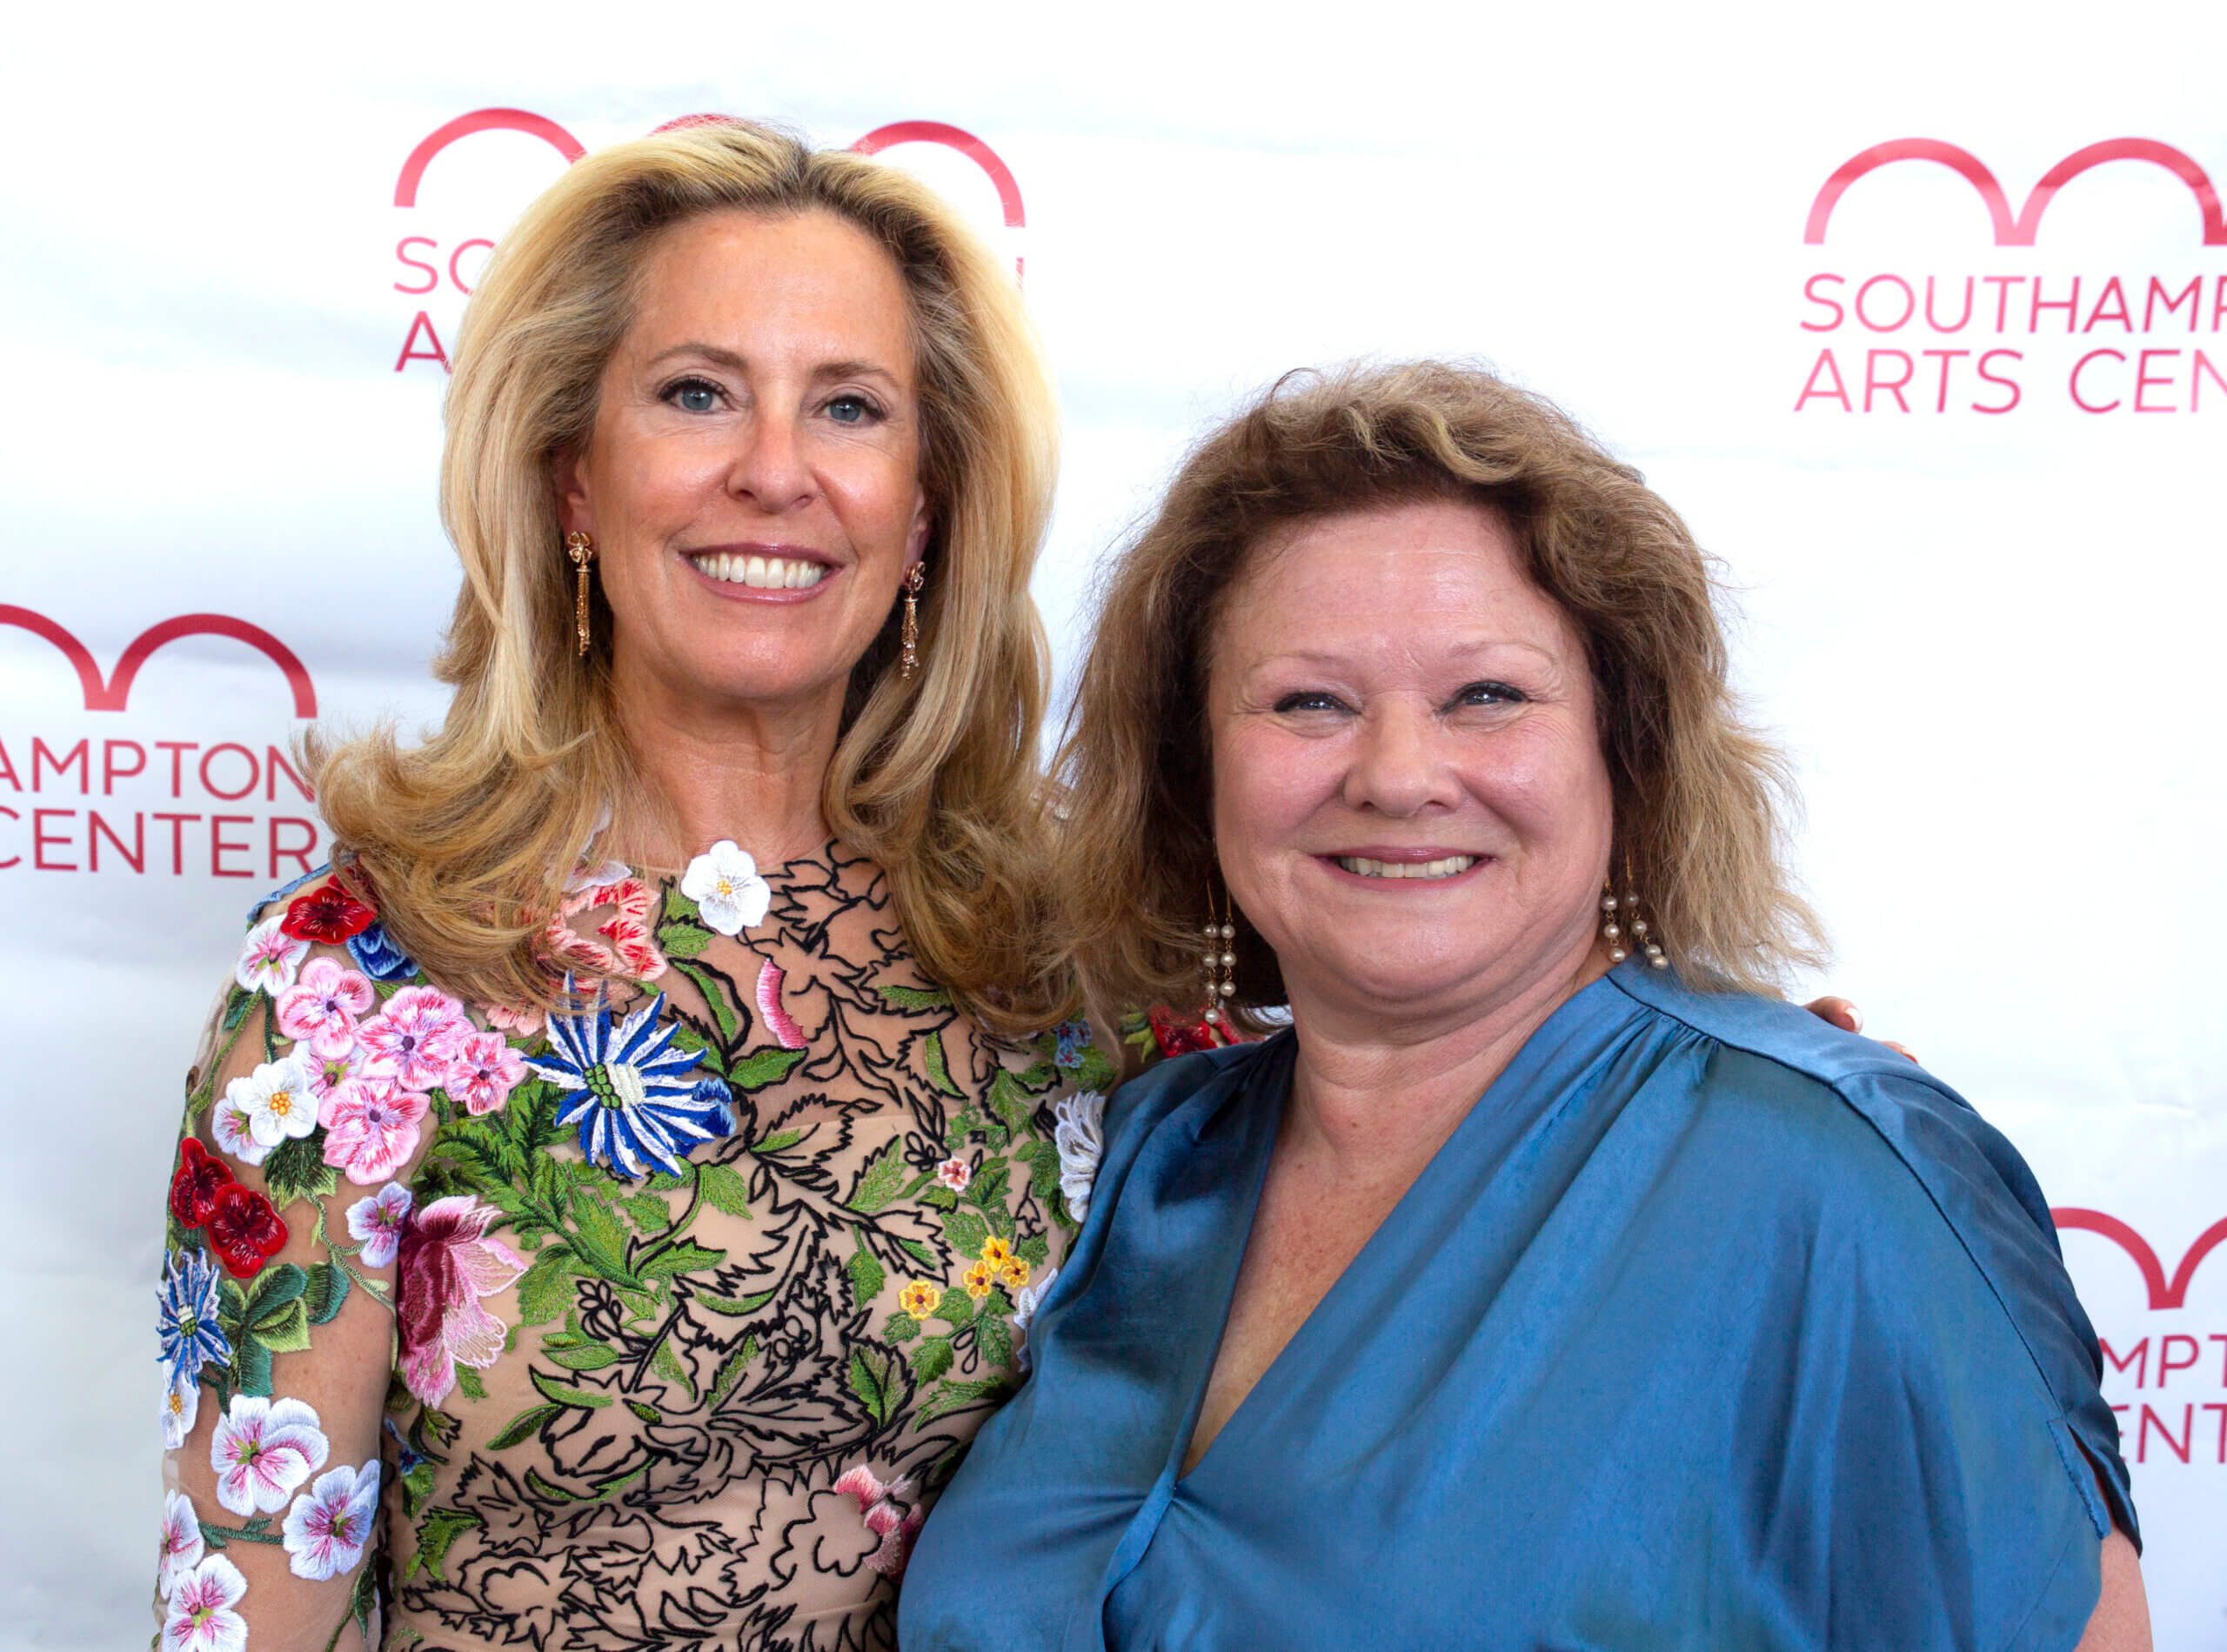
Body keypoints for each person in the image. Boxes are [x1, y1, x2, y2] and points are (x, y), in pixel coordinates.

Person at [902, 362, 2149, 1650]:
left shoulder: (1834, 1173)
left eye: (1486, 697)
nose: (1399, 775)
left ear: (1625, 745)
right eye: (1309, 703)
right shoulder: (1150, 1154)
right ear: (1192, 765)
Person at [151, 121, 1116, 1652]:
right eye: (697, 394)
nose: (775, 471)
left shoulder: (1054, 969)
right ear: (574, 484)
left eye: (850, 407)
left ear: (926, 512)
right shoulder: (356, 989)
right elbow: (247, 1620)